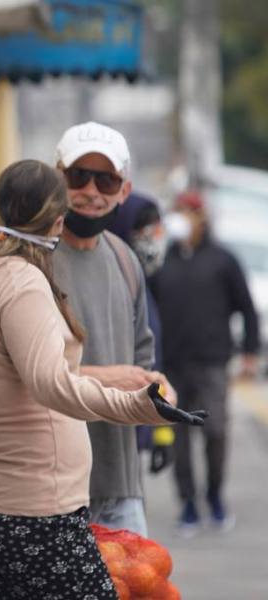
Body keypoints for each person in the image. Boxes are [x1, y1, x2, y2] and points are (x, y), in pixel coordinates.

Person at [0, 159, 204, 600]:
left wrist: (114, 378)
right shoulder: (21, 282)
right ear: (57, 221)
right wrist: (139, 406)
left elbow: (5, 374)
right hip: (30, 514)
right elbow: (51, 386)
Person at [52, 121, 164, 536]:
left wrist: (159, 396)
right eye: (79, 176)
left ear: (124, 190)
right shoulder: (29, 259)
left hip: (121, 490)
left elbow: (142, 362)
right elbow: (16, 377)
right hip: (49, 492)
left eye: (107, 179)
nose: (92, 192)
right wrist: (112, 380)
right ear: (56, 178)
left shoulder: (125, 260)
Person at [154, 189, 260, 534]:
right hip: (172, 364)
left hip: (213, 362)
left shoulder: (223, 260)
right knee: (178, 436)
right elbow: (147, 315)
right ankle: (187, 502)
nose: (182, 218)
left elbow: (246, 307)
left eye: (188, 212)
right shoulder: (161, 263)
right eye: (178, 210)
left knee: (215, 431)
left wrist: (249, 352)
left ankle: (214, 495)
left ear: (202, 217)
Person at [108, 192, 175, 474]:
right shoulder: (109, 283)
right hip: (105, 435)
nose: (151, 240)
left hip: (133, 432)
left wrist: (162, 433)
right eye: (143, 232)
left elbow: (154, 360)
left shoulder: (144, 285)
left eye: (156, 231)